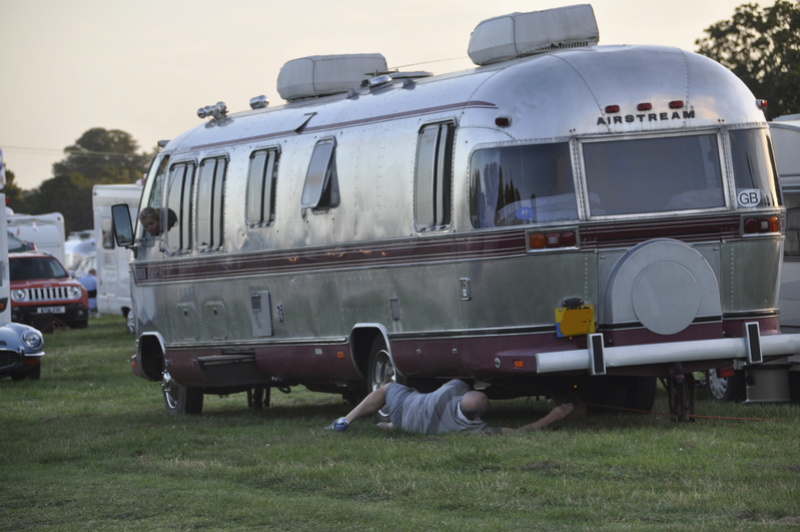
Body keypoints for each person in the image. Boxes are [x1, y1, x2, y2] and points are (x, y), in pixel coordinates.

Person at [326, 379, 574, 435]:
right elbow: (519, 432)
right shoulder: (474, 431)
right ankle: (388, 426)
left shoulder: (452, 390)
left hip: (406, 407)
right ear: (477, 415)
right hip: (410, 425)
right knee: (402, 424)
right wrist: (551, 417)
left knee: (386, 388)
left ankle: (344, 422)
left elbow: (462, 380)